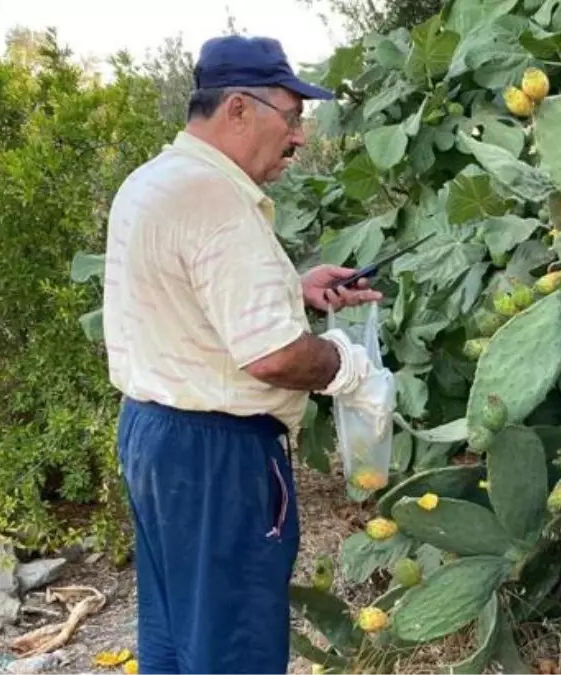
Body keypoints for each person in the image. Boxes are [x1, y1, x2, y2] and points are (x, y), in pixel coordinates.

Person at [101, 35, 384, 674]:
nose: (299, 138)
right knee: (234, 649)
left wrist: (298, 289)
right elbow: (274, 357)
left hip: (155, 436)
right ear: (237, 109)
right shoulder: (217, 201)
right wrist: (349, 368)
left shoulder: (154, 181)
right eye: (291, 118)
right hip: (217, 457)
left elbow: (193, 305)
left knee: (178, 636)